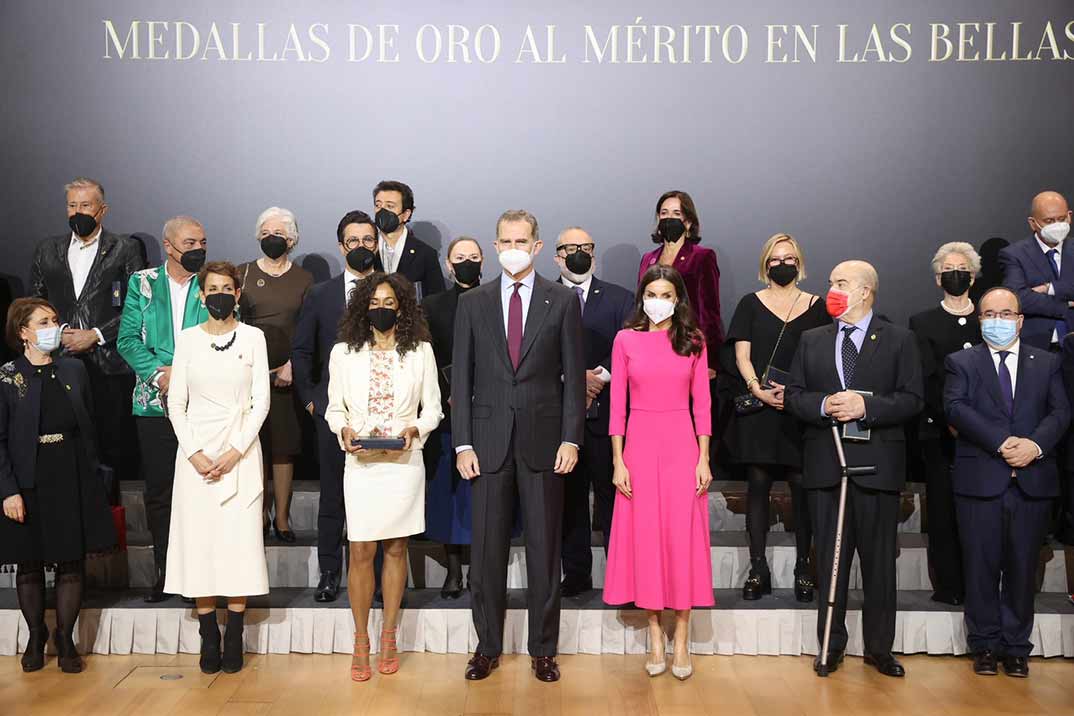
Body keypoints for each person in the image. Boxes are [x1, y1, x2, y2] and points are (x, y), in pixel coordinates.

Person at [452, 209, 585, 683]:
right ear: (495, 246)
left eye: (521, 240)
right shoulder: (474, 303)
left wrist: (572, 436)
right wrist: (462, 443)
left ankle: (543, 650)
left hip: (546, 444)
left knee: (545, 552)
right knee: (486, 553)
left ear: (537, 246)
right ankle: (486, 647)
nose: (512, 247)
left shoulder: (562, 301)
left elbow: (573, 377)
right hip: (486, 445)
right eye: (504, 240)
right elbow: (462, 379)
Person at [785, 260, 923, 678]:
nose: (833, 289)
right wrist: (825, 405)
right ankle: (831, 644)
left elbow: (914, 398)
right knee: (829, 561)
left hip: (878, 465)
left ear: (866, 291)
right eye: (831, 283)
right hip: (827, 465)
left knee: (879, 563)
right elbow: (794, 396)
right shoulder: (811, 340)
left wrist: (869, 406)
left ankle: (881, 649)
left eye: (842, 283)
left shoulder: (900, 339)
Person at [946, 287, 1069, 678]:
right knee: (980, 568)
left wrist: (1033, 445)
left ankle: (1016, 647)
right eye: (989, 314)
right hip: (980, 480)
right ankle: (983, 644)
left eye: (1005, 313)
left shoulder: (1047, 363)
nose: (997, 320)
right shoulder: (960, 362)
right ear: (980, 319)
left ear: (1019, 320)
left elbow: (1061, 411)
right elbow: (955, 407)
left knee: (1022, 567)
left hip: (1031, 479)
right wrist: (1002, 444)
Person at [325, 272, 441, 681]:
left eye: (390, 303)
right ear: (362, 307)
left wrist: (415, 431)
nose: (382, 309)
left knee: (395, 549)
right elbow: (334, 408)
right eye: (374, 302)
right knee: (360, 551)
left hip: (403, 464)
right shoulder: (343, 352)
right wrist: (344, 431)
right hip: (360, 465)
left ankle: (389, 634)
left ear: (403, 308)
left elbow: (434, 410)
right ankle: (361, 639)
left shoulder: (420, 351)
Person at [603, 266, 714, 680]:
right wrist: (618, 460)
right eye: (651, 292)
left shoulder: (694, 342)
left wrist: (703, 458)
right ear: (642, 297)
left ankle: (681, 638)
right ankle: (654, 634)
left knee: (680, 540)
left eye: (666, 293)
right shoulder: (625, 339)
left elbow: (702, 404)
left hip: (682, 446)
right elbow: (617, 407)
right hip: (639, 446)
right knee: (646, 538)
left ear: (678, 299)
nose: (658, 300)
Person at [164, 262, 270, 675]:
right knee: (201, 545)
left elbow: (260, 401)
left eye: (228, 288)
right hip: (195, 458)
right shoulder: (188, 341)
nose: (220, 294)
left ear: (237, 295)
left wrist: (234, 452)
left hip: (240, 454)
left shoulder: (254, 338)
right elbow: (176, 403)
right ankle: (209, 632)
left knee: (238, 545)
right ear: (202, 296)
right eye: (213, 289)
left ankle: (236, 632)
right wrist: (195, 454)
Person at [0, 298, 116, 673]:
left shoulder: (74, 369)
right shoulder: (7, 377)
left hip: (72, 474)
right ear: (23, 332)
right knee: (30, 563)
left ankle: (65, 638)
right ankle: (37, 636)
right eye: (44, 321)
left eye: (55, 319)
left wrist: (96, 476)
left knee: (71, 561)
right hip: (27, 479)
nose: (54, 326)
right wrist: (8, 490)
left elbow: (91, 427)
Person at [721, 234, 828, 601]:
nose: (782, 264)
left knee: (802, 488)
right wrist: (756, 388)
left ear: (800, 262)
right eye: (775, 259)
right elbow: (741, 355)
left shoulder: (818, 305)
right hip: (760, 409)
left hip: (798, 411)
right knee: (758, 485)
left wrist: (795, 396)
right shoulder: (750, 304)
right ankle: (757, 568)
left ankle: (803, 568)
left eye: (789, 257)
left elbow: (823, 360)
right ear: (765, 265)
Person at [29, 177, 146, 488]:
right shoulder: (47, 249)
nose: (77, 211)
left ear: (102, 210)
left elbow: (138, 305)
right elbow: (35, 302)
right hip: (59, 360)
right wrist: (61, 331)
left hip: (110, 364)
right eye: (72, 205)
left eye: (85, 205)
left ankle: (114, 520)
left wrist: (95, 334)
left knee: (112, 441)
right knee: (66, 441)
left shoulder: (125, 249)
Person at [117, 216, 209, 602]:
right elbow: (127, 339)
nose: (199, 249)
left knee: (201, 490)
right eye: (190, 243)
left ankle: (200, 574)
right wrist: (159, 374)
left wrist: (185, 373)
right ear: (168, 246)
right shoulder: (143, 283)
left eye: (203, 242)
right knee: (160, 493)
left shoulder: (212, 283)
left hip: (202, 402)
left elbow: (221, 334)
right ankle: (164, 572)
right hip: (154, 404)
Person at [291, 210, 381, 603]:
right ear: (341, 246)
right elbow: (301, 350)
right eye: (353, 241)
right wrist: (312, 402)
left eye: (367, 240)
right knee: (333, 497)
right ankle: (329, 573)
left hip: (380, 415)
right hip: (332, 415)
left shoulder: (392, 289)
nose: (360, 247)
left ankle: (377, 580)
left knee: (377, 499)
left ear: (376, 244)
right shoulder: (321, 294)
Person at [552, 227, 634, 598]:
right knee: (568, 501)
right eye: (570, 249)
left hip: (607, 416)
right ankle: (577, 575)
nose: (578, 254)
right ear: (556, 256)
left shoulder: (619, 298)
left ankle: (620, 575)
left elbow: (631, 344)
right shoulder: (543, 297)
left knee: (611, 498)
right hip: (557, 418)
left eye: (585, 248)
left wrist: (597, 376)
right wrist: (571, 377)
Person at [908, 242, 983, 606]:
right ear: (938, 278)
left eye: (963, 267)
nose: (957, 273)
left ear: (973, 274)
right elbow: (927, 377)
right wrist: (954, 420)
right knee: (942, 509)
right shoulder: (922, 322)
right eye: (949, 268)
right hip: (940, 431)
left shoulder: (989, 317)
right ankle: (950, 585)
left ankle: (980, 584)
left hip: (987, 434)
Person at [238, 207, 314, 542]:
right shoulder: (240, 274)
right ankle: (256, 518)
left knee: (283, 448)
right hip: (246, 375)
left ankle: (281, 519)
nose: (272, 238)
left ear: (292, 239)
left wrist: (294, 365)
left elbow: (309, 327)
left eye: (279, 234)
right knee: (254, 447)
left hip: (286, 377)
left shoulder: (304, 279)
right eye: (266, 232)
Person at [422, 236, 484, 598]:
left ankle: (481, 566)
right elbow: (425, 352)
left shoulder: (493, 298)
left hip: (487, 409)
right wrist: (448, 388)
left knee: (481, 490)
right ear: (448, 264)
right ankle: (454, 569)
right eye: (459, 257)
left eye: (473, 257)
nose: (466, 262)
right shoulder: (432, 304)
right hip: (445, 409)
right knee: (449, 489)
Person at [638, 190, 722, 377]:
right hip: (651, 348)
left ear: (689, 221)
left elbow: (710, 311)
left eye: (677, 214)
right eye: (664, 213)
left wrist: (711, 361)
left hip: (687, 346)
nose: (669, 218)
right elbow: (640, 306)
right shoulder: (648, 259)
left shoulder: (702, 256)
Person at [999, 191, 1074, 351]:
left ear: (1069, 216)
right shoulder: (1014, 254)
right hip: (1038, 347)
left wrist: (1050, 288)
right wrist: (1066, 305)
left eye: (1061, 219)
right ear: (1033, 223)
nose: (1057, 225)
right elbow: (1019, 298)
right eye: (1049, 221)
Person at [373, 180, 446, 297]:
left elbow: (436, 304)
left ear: (406, 214)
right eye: (378, 205)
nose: (382, 211)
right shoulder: (368, 250)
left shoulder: (426, 255)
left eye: (390, 206)